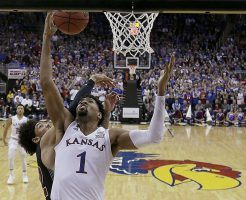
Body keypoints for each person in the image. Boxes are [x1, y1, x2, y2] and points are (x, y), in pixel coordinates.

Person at [40, 12, 174, 200]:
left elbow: (155, 136)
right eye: (83, 101)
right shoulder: (65, 127)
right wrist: (47, 38)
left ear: (99, 116)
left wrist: (161, 92)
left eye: (91, 102)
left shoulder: (110, 137)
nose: (84, 100)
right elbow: (46, 82)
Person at [18, 76, 117, 200]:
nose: (47, 124)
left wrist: (106, 113)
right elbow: (72, 109)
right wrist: (91, 82)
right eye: (40, 126)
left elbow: (98, 138)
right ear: (36, 139)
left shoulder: (48, 147)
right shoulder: (47, 143)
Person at [2, 104, 28, 185]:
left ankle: (25, 175)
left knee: (23, 157)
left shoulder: (26, 120)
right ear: (16, 110)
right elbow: (6, 129)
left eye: (21, 108)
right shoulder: (12, 119)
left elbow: (29, 132)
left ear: (23, 110)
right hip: (13, 140)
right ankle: (11, 175)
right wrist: (4, 139)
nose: (20, 109)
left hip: (22, 141)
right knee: (10, 156)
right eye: (18, 108)